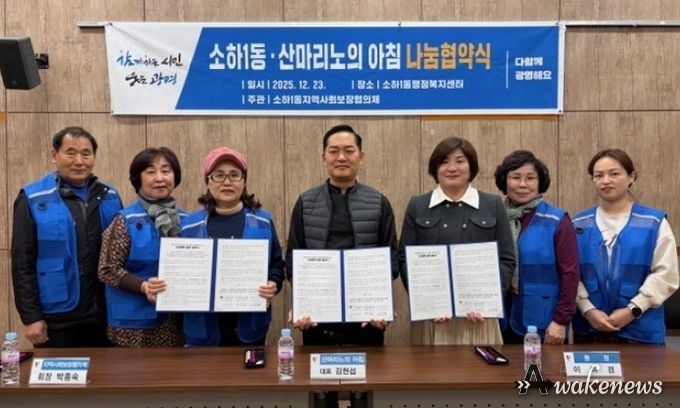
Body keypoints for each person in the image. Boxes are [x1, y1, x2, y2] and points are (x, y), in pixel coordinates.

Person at [287, 124, 398, 408]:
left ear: (361, 157)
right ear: (323, 158)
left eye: (349, 150)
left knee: (366, 393)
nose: (341, 157)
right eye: (333, 151)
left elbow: (391, 260)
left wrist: (382, 305)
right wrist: (301, 303)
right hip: (317, 321)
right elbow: (294, 260)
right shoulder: (305, 203)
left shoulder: (379, 202)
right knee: (320, 394)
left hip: (367, 320)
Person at [11, 126, 123, 347]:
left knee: (107, 370)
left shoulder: (110, 196)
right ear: (55, 155)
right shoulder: (33, 198)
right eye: (70, 153)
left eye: (86, 154)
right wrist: (31, 317)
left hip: (106, 313)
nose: (79, 161)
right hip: (57, 316)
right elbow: (22, 262)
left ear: (94, 157)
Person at [399, 137, 515, 345]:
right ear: (435, 168)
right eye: (444, 162)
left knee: (482, 366)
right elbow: (405, 259)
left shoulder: (492, 204)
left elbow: (506, 259)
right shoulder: (418, 205)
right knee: (428, 366)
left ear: (471, 166)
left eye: (460, 161)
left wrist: (489, 302)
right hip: (432, 319)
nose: (452, 168)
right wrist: (426, 303)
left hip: (480, 317)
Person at [572, 148, 679, 344]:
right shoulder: (578, 224)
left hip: (641, 332)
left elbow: (666, 274)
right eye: (599, 175)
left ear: (631, 177)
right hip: (590, 330)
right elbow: (569, 274)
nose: (606, 181)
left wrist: (633, 309)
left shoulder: (653, 222)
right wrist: (588, 309)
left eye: (614, 174)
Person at [181, 147, 285, 346]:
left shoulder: (263, 221)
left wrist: (273, 283)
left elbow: (276, 265)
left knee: (249, 367)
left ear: (244, 181)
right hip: (202, 329)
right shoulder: (188, 225)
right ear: (208, 181)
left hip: (249, 328)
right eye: (219, 175)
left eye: (234, 175)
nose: (227, 182)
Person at [98, 147, 185, 347]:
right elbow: (106, 269)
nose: (160, 178)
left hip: (174, 322)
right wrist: (143, 286)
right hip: (132, 324)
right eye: (151, 172)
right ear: (138, 179)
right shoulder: (124, 220)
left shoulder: (186, 219)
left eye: (166, 170)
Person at [493, 150, 578, 345]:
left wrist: (561, 320)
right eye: (515, 177)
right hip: (499, 319)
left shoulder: (557, 220)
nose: (523, 184)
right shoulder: (494, 218)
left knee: (540, 367)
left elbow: (570, 274)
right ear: (505, 181)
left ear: (540, 182)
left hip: (544, 321)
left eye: (530, 178)